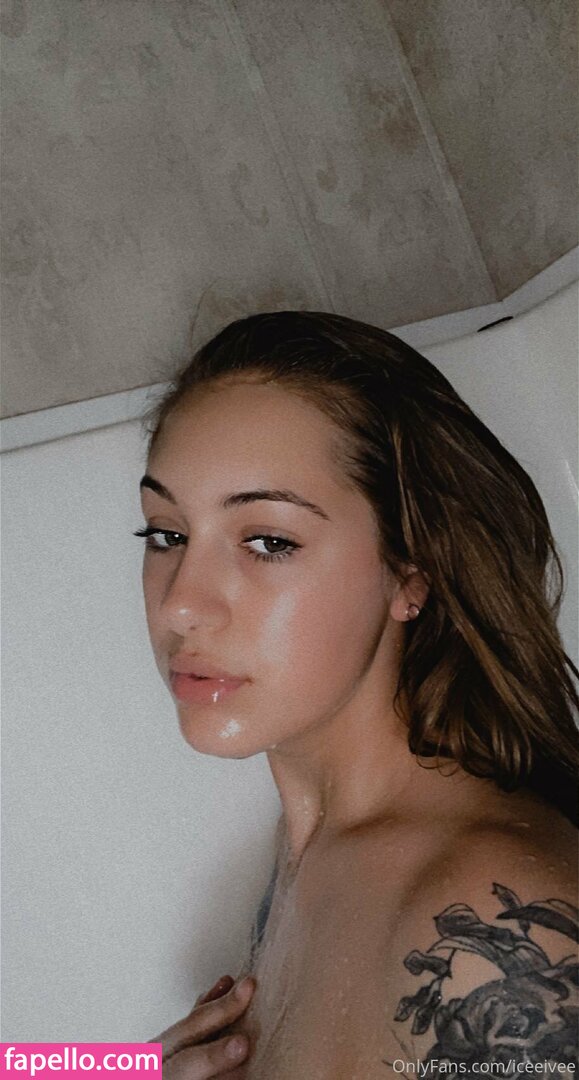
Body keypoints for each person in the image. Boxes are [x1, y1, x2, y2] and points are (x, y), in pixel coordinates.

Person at [140, 311, 578, 1079]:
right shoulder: (308, 850)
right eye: (166, 534)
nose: (180, 605)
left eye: (268, 541)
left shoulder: (495, 915)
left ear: (409, 572)